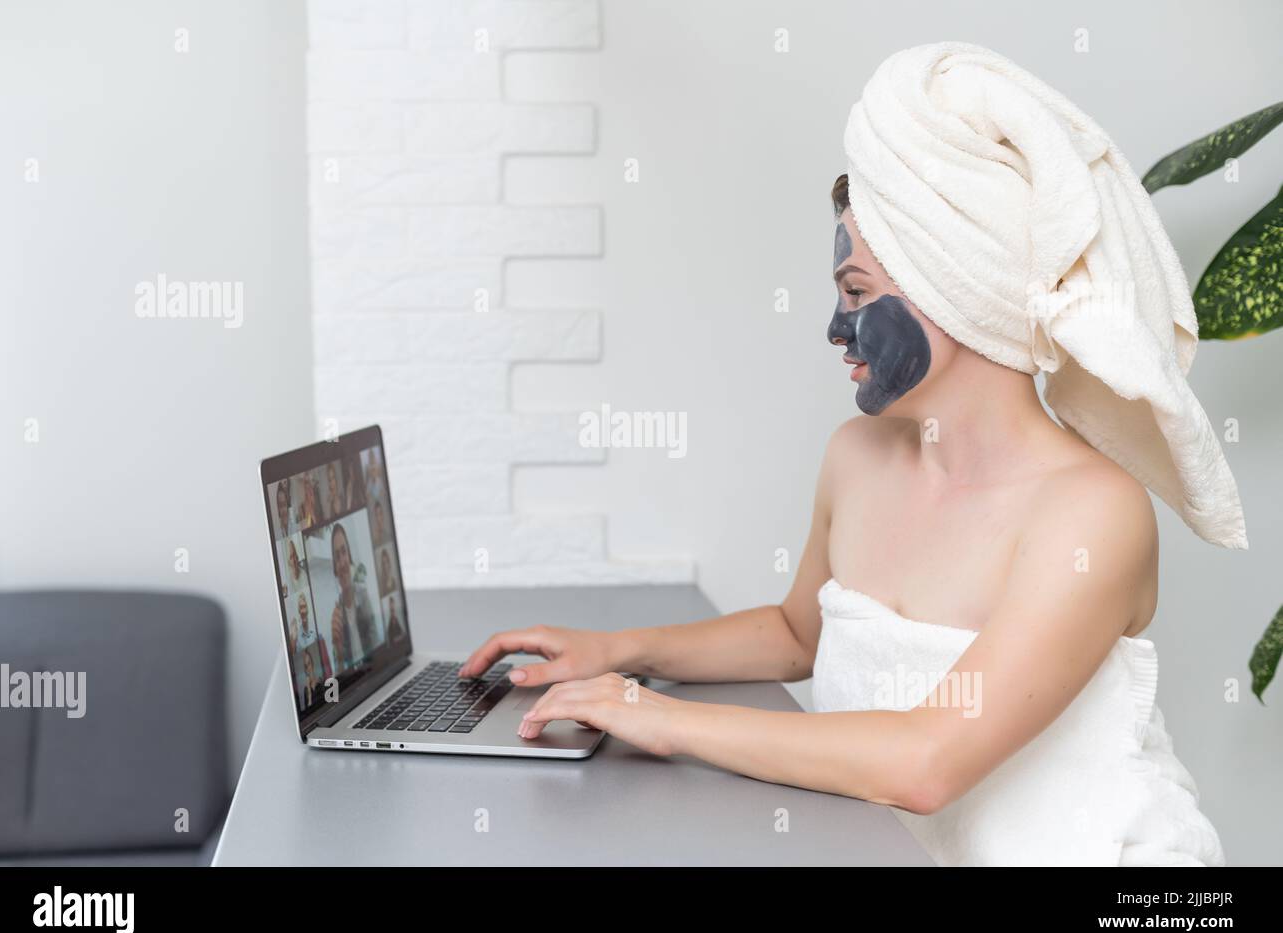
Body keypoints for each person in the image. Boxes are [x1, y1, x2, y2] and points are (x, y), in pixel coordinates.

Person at [457, 43, 1243, 867]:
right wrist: (617, 653)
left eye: (858, 294)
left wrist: (654, 716)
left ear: (956, 291)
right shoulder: (857, 457)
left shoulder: (1093, 514)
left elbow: (927, 764)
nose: (836, 330)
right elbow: (801, 633)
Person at [329, 523, 380, 663]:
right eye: (337, 556)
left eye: (344, 552)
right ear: (335, 568)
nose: (342, 562)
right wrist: (338, 650)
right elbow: (339, 675)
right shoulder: (336, 615)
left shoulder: (363, 596)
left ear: (350, 557)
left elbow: (376, 646)